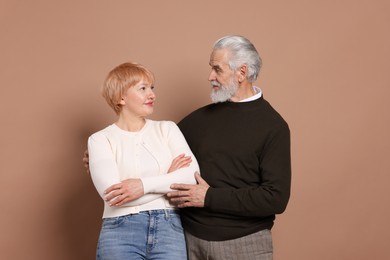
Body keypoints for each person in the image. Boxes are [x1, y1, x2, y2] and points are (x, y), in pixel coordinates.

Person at [166, 35, 291, 260]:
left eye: (217, 69)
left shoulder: (273, 127)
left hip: (244, 243)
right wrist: (106, 152)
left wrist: (209, 197)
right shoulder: (197, 120)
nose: (210, 76)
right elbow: (156, 151)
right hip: (187, 240)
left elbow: (275, 198)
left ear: (241, 73)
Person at [87, 62, 200, 259]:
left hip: (169, 229)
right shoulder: (100, 139)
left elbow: (191, 176)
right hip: (119, 231)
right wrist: (168, 180)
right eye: (143, 88)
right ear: (120, 97)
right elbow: (113, 196)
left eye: (152, 88)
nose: (152, 95)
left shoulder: (167, 129)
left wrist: (142, 186)